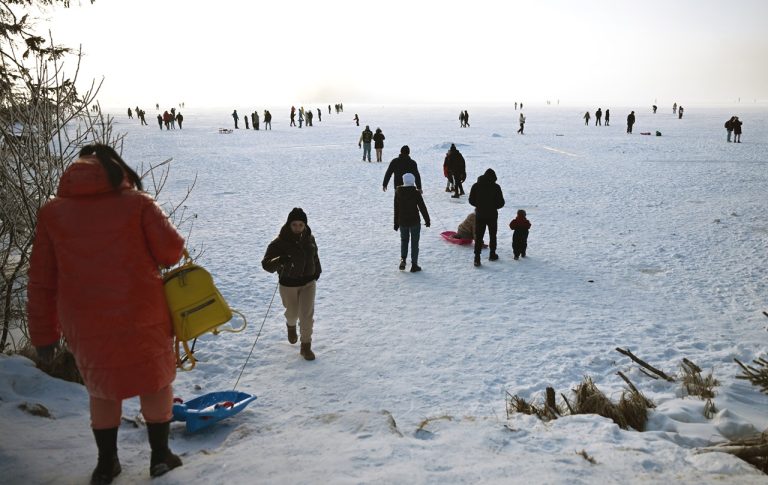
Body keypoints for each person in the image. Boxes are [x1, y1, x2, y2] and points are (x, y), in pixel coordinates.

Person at [27, 144, 186, 482]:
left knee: (102, 388)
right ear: (117, 169)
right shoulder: (138, 204)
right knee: (155, 382)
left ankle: (106, 463)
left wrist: (44, 335)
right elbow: (172, 251)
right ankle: (160, 455)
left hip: (84, 321)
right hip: (142, 311)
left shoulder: (51, 213)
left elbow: (41, 280)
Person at [261, 208, 321, 361]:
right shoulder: (279, 242)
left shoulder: (310, 238)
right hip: (288, 285)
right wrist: (279, 260)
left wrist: (317, 271)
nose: (298, 228)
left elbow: (314, 256)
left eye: (301, 225)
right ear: (289, 224)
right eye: (294, 224)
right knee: (293, 313)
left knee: (306, 316)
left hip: (308, 283)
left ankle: (306, 346)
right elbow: (266, 264)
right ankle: (291, 325)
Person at [394, 173, 430, 272]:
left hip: (402, 221)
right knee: (415, 242)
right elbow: (422, 207)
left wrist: (396, 223)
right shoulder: (416, 193)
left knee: (404, 240)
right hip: (414, 221)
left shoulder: (398, 192)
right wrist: (427, 220)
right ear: (413, 181)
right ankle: (414, 264)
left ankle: (403, 259)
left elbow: (396, 209)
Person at [469, 168, 504, 266]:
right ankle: (492, 254)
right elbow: (501, 203)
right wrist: (493, 206)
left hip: (480, 215)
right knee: (493, 235)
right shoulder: (496, 187)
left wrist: (479, 205)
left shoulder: (476, 186)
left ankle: (477, 258)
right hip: (492, 215)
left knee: (479, 236)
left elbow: (471, 200)